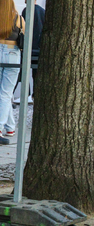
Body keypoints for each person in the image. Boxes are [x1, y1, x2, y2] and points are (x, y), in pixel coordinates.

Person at [0, 0, 24, 143]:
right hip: (13, 54)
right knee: (6, 92)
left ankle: (10, 126)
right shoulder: (19, 19)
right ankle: (3, 126)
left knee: (3, 92)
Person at [17, 0, 43, 102]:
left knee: (24, 71)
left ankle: (26, 94)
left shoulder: (26, 11)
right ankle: (35, 95)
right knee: (36, 73)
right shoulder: (42, 11)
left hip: (28, 47)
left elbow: (23, 28)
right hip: (39, 48)